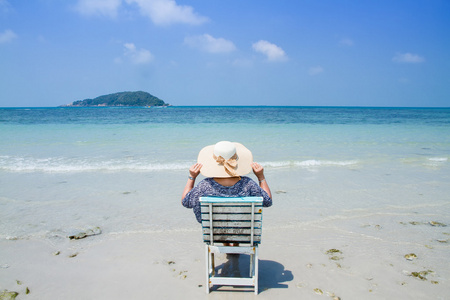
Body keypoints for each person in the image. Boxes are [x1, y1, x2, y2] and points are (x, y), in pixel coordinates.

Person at [181, 141, 272, 223]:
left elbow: (186, 202)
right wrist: (261, 176)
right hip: (244, 230)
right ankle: (235, 241)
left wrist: (192, 177)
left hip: (214, 232)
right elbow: (267, 202)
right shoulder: (248, 184)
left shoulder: (204, 186)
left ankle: (226, 241)